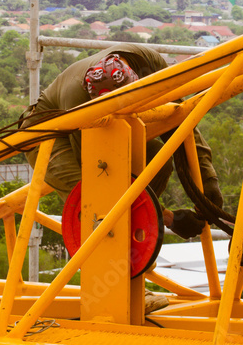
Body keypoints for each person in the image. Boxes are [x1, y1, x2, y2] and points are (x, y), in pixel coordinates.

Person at [24, 42, 222, 239]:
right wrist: (168, 219)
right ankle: (129, 231)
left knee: (157, 158)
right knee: (90, 197)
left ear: (135, 79)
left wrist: (206, 179)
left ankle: (137, 223)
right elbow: (98, 175)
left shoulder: (149, 62)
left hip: (106, 123)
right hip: (45, 133)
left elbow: (179, 120)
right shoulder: (79, 100)